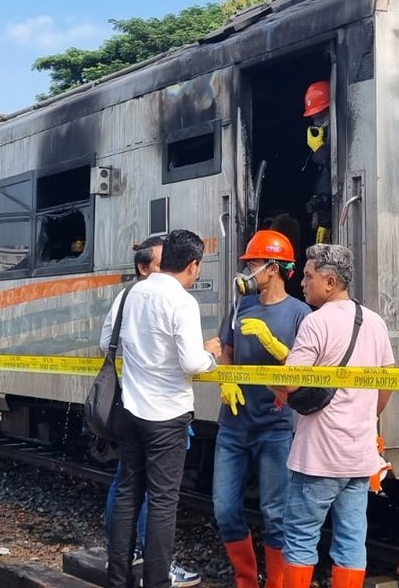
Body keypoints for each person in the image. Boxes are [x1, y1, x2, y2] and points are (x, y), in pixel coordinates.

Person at [106, 230, 222, 588]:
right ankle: (157, 582)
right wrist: (211, 356)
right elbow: (191, 362)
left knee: (128, 493)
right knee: (162, 502)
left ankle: (119, 579)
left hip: (129, 410)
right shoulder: (181, 301)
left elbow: (104, 341)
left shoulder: (131, 293)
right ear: (193, 265)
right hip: (166, 418)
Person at [278, 244, 394, 588]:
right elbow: (385, 385)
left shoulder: (316, 323)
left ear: (330, 282)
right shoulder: (374, 322)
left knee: (300, 540)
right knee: (351, 543)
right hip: (359, 459)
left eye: (309, 275)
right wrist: (363, 419)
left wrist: (268, 379)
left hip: (317, 458)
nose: (301, 282)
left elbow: (290, 382)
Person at [215, 230, 312, 588]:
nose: (247, 269)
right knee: (224, 509)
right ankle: (246, 581)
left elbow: (304, 374)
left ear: (273, 268)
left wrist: (273, 345)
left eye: (253, 263)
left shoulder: (300, 314)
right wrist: (226, 379)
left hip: (275, 427)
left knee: (276, 514)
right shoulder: (240, 306)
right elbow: (226, 351)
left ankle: (275, 583)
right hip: (233, 426)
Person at [302, 80, 332, 245]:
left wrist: (319, 149)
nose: (317, 122)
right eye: (314, 118)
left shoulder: (340, 134)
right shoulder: (324, 137)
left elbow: (336, 171)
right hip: (324, 213)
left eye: (320, 116)